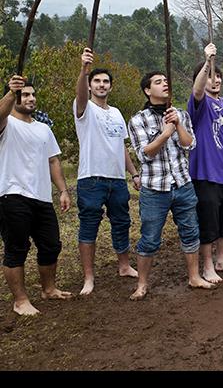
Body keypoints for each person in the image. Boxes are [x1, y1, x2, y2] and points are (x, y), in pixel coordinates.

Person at [128, 71, 215, 300]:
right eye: (158, 82)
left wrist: (177, 125)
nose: (164, 84)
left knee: (190, 230)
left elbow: (190, 145)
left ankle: (194, 277)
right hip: (154, 189)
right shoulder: (138, 120)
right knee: (150, 237)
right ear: (148, 90)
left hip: (182, 184)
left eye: (165, 81)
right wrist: (165, 133)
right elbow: (144, 154)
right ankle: (142, 284)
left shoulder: (181, 114)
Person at [0, 76, 72, 315]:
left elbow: (53, 160)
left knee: (51, 245)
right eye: (25, 95)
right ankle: (20, 300)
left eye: (32, 95)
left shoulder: (43, 128)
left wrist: (62, 190)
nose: (31, 99)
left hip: (42, 197)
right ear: (14, 97)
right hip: (12, 195)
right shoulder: (6, 123)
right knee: (17, 248)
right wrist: (11, 93)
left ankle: (48, 289)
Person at [74, 48, 140, 296]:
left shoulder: (116, 113)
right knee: (89, 226)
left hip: (117, 180)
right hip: (91, 178)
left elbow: (121, 147)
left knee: (122, 222)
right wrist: (84, 70)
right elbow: (80, 96)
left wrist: (133, 173)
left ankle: (124, 265)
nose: (101, 85)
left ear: (110, 87)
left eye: (105, 82)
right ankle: (88, 278)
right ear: (90, 86)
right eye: (97, 81)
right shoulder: (84, 109)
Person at [188, 44, 223, 283]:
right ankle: (207, 266)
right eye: (211, 76)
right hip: (205, 173)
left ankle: (221, 259)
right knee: (208, 222)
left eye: (218, 76)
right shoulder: (199, 104)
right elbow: (198, 90)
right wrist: (207, 62)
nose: (215, 80)